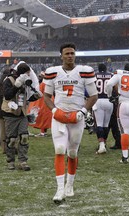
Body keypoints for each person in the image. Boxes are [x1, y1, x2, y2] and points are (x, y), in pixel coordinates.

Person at [43, 43, 98, 203]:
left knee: (72, 153)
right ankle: (59, 190)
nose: (69, 56)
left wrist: (82, 111)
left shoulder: (84, 72)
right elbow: (46, 96)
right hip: (59, 116)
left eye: (72, 53)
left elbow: (93, 96)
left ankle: (70, 184)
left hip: (76, 117)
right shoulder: (52, 72)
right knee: (59, 149)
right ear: (61, 56)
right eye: (66, 53)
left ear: (75, 55)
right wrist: (53, 110)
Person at [2, 62, 42, 171]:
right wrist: (16, 86)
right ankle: (10, 161)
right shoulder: (8, 80)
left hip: (22, 113)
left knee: (24, 137)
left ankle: (23, 161)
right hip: (10, 113)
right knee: (12, 139)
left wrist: (36, 96)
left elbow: (27, 98)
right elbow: (7, 95)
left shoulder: (26, 82)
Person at [92, 63, 113, 154]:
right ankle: (103, 143)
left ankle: (101, 145)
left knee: (99, 124)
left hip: (98, 100)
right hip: (109, 100)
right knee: (106, 125)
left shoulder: (95, 76)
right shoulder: (111, 75)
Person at [27, 71, 52, 137]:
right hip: (44, 102)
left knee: (41, 116)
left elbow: (39, 92)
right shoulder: (46, 83)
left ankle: (42, 132)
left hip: (42, 102)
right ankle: (43, 131)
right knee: (43, 117)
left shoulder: (43, 84)